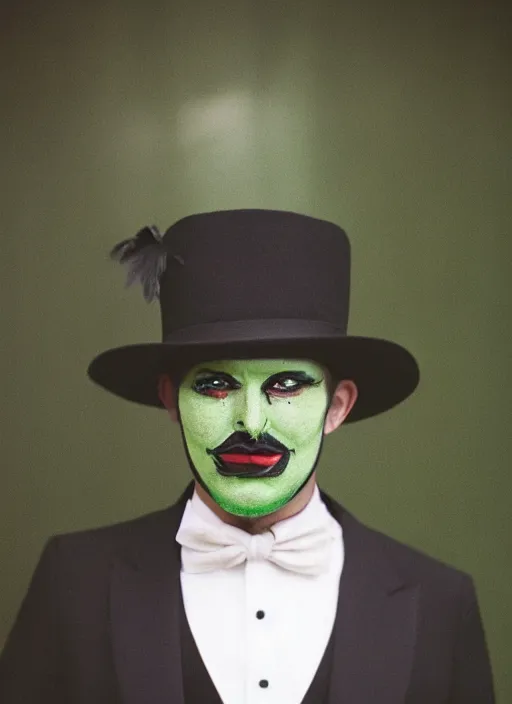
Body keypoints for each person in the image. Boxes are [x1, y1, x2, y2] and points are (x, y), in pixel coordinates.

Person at [0, 209, 495, 703]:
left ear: (337, 406)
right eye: (215, 385)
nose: (251, 422)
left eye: (285, 385)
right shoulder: (74, 582)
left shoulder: (439, 603)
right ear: (171, 399)